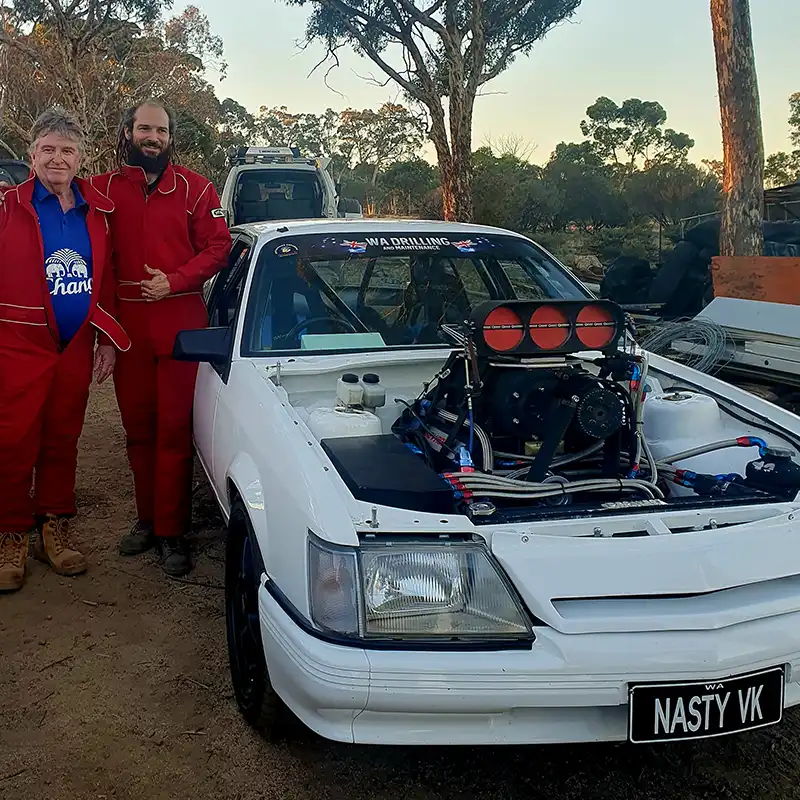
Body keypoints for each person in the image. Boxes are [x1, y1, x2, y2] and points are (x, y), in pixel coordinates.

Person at [91, 99, 232, 577]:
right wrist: (105, 336)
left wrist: (175, 280)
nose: (153, 137)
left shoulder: (195, 189)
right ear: (127, 132)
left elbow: (219, 245)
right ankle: (147, 520)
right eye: (144, 129)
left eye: (162, 131)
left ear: (171, 138)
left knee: (173, 430)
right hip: (127, 327)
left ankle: (174, 532)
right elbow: (94, 257)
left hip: (179, 325)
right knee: (138, 429)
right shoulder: (104, 191)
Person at [0, 107, 131, 593]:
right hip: (16, 342)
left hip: (74, 345)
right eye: (48, 149)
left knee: (62, 438)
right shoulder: (6, 206)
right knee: (13, 441)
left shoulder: (95, 212)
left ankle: (52, 528)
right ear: (31, 155)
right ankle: (10, 533)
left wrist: (108, 341)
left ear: (81, 159)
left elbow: (108, 279)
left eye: (67, 151)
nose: (58, 158)